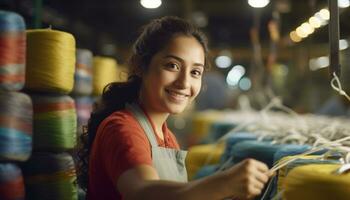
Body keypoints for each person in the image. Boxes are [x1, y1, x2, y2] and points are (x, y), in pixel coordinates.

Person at [78, 16, 272, 200]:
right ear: (139, 66)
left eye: (195, 72)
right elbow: (141, 192)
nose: (184, 82)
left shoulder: (167, 137)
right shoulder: (122, 128)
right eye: (172, 65)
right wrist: (223, 184)